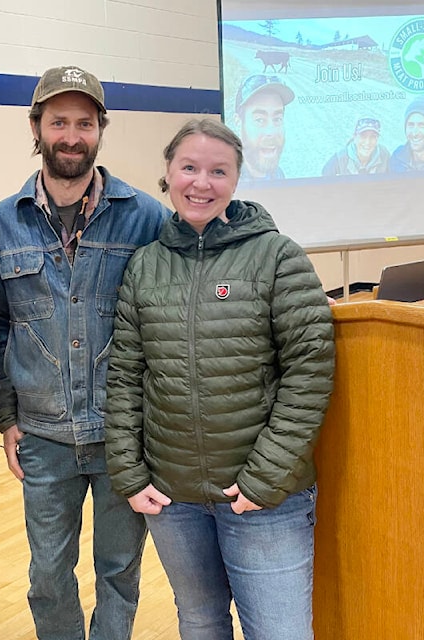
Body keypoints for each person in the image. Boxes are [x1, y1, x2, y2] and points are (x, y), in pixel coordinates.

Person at [105, 118, 336, 640]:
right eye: (189, 168)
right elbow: (124, 375)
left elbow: (310, 369)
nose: (201, 183)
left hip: (264, 499)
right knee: (201, 623)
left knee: (280, 632)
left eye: (218, 171)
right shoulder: (145, 266)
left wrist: (264, 476)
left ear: (235, 180)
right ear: (168, 173)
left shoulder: (278, 256)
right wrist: (129, 471)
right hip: (173, 499)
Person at [0, 66, 169, 640]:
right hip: (43, 437)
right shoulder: (4, 221)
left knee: (119, 569)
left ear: (100, 130)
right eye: (58, 121)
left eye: (84, 123)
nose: (71, 135)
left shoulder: (146, 217)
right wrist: (8, 417)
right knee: (47, 574)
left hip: (124, 435)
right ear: (36, 127)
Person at [233, 74, 295, 182]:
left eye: (277, 119)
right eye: (259, 120)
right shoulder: (227, 181)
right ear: (238, 122)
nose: (271, 132)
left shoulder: (278, 175)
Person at [322, 117, 390, 175]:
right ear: (354, 137)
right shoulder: (339, 159)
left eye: (373, 137)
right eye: (363, 136)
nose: (367, 142)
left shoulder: (384, 155)